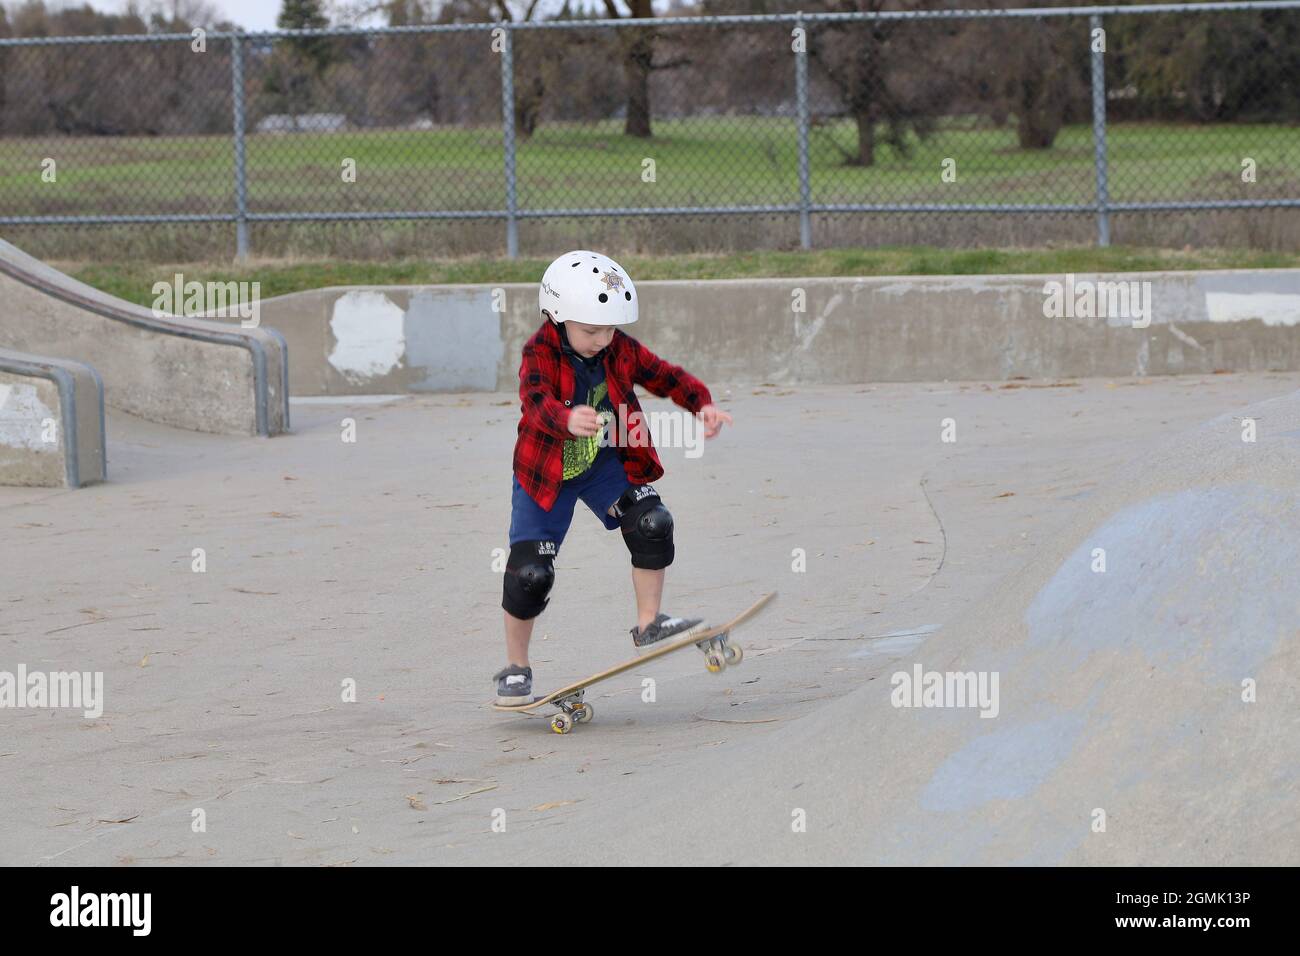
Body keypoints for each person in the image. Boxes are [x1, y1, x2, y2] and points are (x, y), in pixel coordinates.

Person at [495, 250, 733, 705]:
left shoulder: (617, 347)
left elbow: (663, 375)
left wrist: (700, 402)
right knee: (530, 575)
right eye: (591, 330)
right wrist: (566, 419)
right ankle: (516, 667)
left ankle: (650, 623)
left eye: (610, 328)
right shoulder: (538, 352)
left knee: (652, 522)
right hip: (546, 472)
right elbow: (536, 399)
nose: (604, 339)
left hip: (601, 464)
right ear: (557, 315)